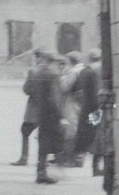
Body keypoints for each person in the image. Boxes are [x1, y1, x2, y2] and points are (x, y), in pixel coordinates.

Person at [23, 50, 67, 184]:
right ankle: (53, 172)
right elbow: (56, 98)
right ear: (51, 62)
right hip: (52, 114)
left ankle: (41, 172)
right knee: (57, 142)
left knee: (43, 143)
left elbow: (28, 90)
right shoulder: (53, 75)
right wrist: (61, 116)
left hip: (41, 112)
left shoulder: (37, 72)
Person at [10, 47, 45, 167]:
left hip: (34, 109)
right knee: (44, 135)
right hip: (49, 109)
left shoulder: (33, 71)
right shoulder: (53, 71)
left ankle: (24, 158)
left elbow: (26, 89)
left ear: (39, 57)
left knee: (25, 131)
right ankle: (44, 160)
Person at [74, 48, 104, 176]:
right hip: (95, 110)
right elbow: (96, 92)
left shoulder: (84, 71)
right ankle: (95, 167)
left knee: (86, 136)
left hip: (86, 108)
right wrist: (99, 109)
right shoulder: (96, 71)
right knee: (98, 136)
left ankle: (80, 159)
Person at [59, 51, 86, 167]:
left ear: (70, 61)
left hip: (73, 103)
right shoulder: (84, 69)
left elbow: (64, 87)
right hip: (83, 103)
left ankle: (71, 159)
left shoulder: (73, 72)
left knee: (71, 131)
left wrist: (62, 77)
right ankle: (79, 158)